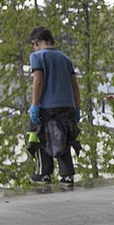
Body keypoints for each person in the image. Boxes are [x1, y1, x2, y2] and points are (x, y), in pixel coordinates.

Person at [28, 26, 81, 184]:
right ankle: (67, 174)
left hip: (47, 106)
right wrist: (77, 107)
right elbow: (75, 86)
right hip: (67, 106)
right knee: (63, 139)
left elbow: (38, 80)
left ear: (35, 42)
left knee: (42, 137)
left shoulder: (37, 56)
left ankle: (44, 173)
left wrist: (35, 104)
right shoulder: (66, 59)